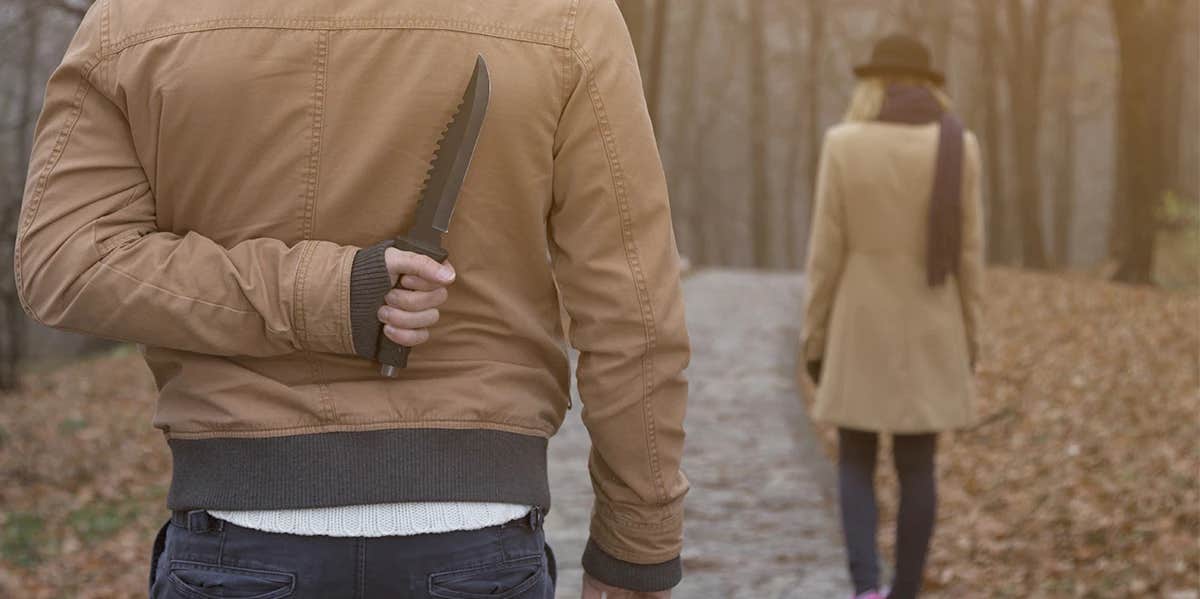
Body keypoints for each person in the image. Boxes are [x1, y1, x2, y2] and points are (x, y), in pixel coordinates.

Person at [14, 0, 690, 597]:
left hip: (238, 535)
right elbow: (633, 307)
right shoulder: (565, 17)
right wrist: (637, 546)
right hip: (475, 539)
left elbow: (68, 260)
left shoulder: (133, 18)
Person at [800, 34, 985, 599]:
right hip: (932, 322)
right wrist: (971, 337)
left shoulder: (844, 144)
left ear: (872, 84)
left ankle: (866, 588)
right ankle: (906, 590)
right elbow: (969, 256)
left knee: (854, 457)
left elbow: (825, 253)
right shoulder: (959, 146)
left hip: (860, 320)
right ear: (930, 86)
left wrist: (813, 333)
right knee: (917, 465)